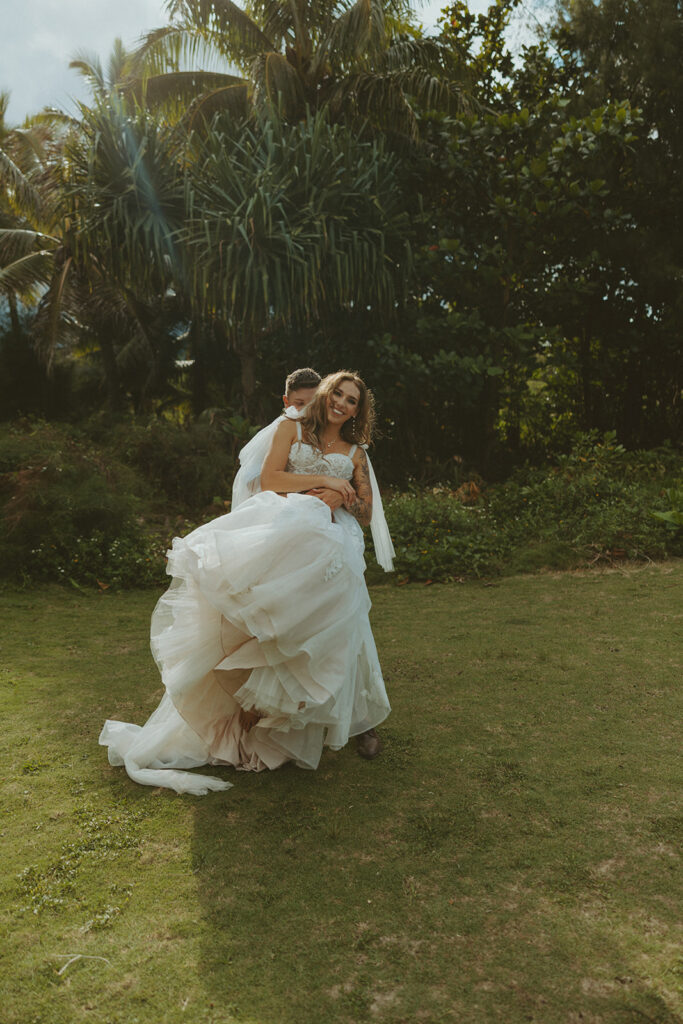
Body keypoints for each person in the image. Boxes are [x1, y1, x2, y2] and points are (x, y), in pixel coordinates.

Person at [99, 371, 394, 796]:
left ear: (357, 411)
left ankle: (343, 723)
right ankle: (248, 723)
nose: (342, 404)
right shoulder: (290, 428)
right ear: (326, 394)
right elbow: (271, 479)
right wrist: (327, 482)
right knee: (266, 626)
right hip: (285, 537)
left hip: (330, 545)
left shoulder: (355, 452)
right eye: (339, 394)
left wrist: (343, 491)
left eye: (352, 401)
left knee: (331, 632)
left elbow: (365, 512)